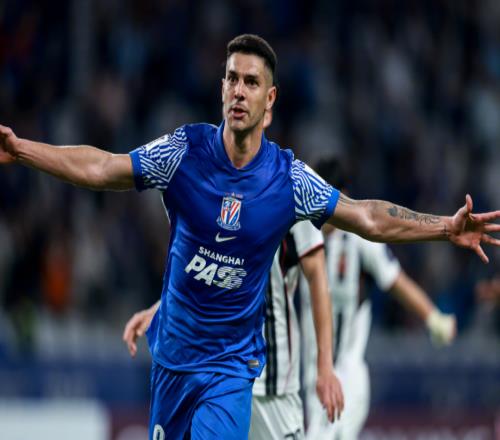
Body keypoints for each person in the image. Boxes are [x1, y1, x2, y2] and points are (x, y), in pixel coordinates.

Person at [1, 33, 499, 439]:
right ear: (222, 88)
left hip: (231, 371)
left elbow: (366, 218)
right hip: (172, 363)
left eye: (252, 82)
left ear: (270, 99)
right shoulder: (183, 152)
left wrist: (444, 227)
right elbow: (103, 167)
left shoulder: (288, 180)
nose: (239, 91)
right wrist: (22, 150)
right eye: (232, 79)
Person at [124, 220, 336, 440]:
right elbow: (210, 274)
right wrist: (160, 308)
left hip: (272, 381)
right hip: (220, 373)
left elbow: (316, 271)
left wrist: (325, 367)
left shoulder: (292, 198)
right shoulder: (214, 201)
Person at [302, 158, 457, 439]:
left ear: (341, 195)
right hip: (307, 375)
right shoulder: (298, 234)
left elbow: (396, 280)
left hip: (347, 374)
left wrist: (434, 318)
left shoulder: (357, 240)